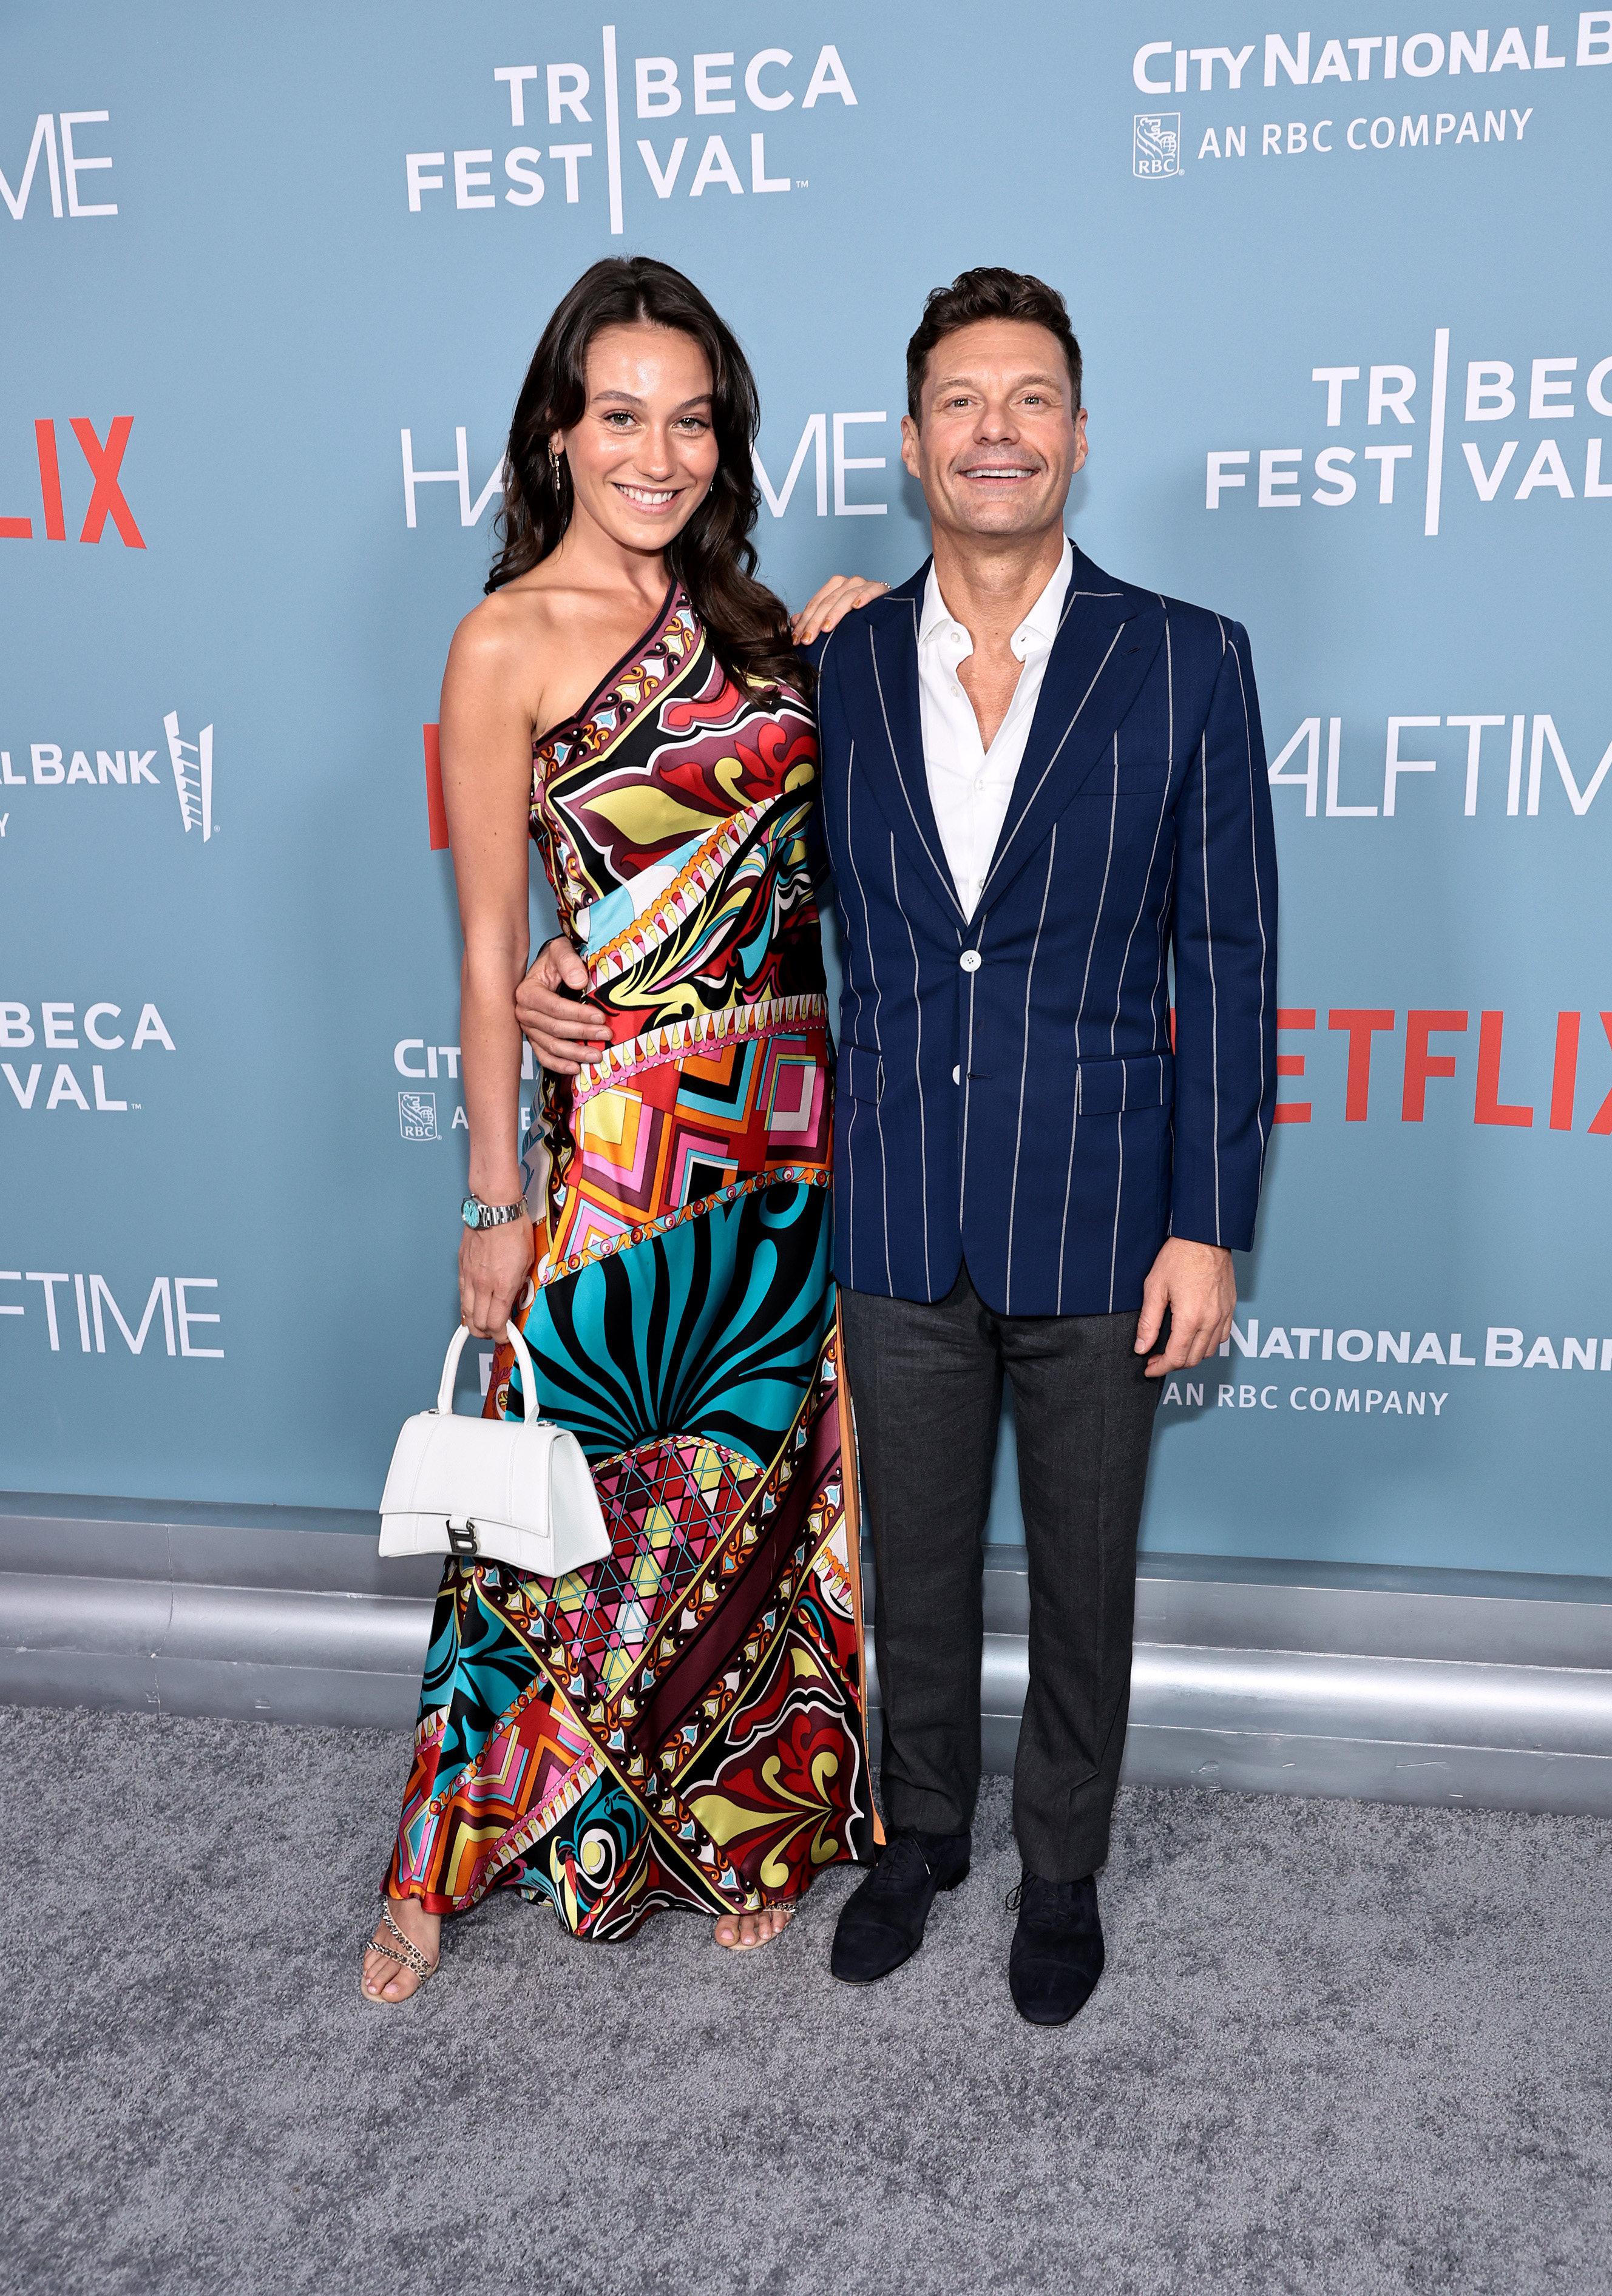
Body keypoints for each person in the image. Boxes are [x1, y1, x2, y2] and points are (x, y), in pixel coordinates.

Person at [363, 257, 879, 2002]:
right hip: (631, 1142)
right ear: (559, 436)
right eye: (623, 418)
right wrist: (495, 1195)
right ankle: (446, 1849)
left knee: (757, 1499)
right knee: (562, 1514)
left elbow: (807, 841)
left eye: (692, 419)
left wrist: (846, 648)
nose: (660, 453)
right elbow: (492, 959)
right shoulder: (502, 639)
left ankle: (748, 1822)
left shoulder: (758, 624)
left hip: (793, 1140)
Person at [798, 267, 1278, 2025]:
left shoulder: (1187, 657)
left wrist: (1207, 1222)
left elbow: (1227, 959)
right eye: (961, 402)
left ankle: (1061, 1865)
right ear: (912, 442)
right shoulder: (833, 661)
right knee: (910, 1554)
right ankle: (920, 1833)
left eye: (1030, 399)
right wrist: (563, 962)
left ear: (1079, 433)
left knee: (1087, 1564)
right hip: (904, 1199)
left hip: (1105, 1204)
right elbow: (729, 893)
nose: (994, 430)